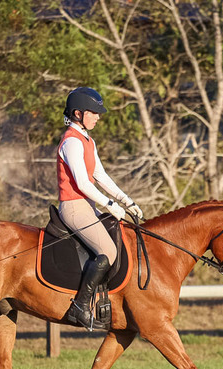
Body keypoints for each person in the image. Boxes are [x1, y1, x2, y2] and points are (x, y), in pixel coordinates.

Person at [56, 87, 143, 330]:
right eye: (93, 112)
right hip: (74, 207)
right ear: (77, 113)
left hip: (87, 206)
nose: (98, 117)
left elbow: (100, 175)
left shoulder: (87, 141)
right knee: (108, 251)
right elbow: (83, 183)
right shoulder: (71, 142)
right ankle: (80, 306)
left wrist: (127, 201)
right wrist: (111, 205)